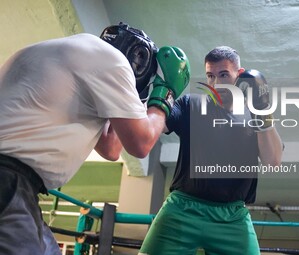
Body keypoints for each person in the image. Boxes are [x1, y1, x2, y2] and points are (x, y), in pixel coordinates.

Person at [0, 22, 190, 255]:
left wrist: (134, 103)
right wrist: (165, 94)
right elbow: (141, 144)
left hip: (19, 187)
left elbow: (110, 148)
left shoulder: (70, 53)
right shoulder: (113, 61)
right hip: (8, 181)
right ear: (138, 61)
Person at [138, 46, 283, 255]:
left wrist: (263, 111)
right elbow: (151, 127)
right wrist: (150, 89)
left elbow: (273, 161)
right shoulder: (191, 104)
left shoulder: (253, 116)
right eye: (210, 76)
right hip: (182, 209)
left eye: (224, 75)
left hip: (232, 218)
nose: (216, 84)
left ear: (239, 75)